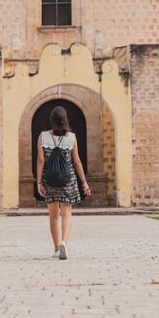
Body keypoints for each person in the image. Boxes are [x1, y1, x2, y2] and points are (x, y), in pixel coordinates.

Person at [36, 105, 91, 260]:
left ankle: (55, 249)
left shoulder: (43, 136)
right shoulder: (72, 137)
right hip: (68, 181)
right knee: (66, 214)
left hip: (50, 181)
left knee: (54, 216)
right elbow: (77, 161)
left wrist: (39, 182)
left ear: (52, 120)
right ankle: (64, 243)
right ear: (65, 120)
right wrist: (84, 183)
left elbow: (40, 160)